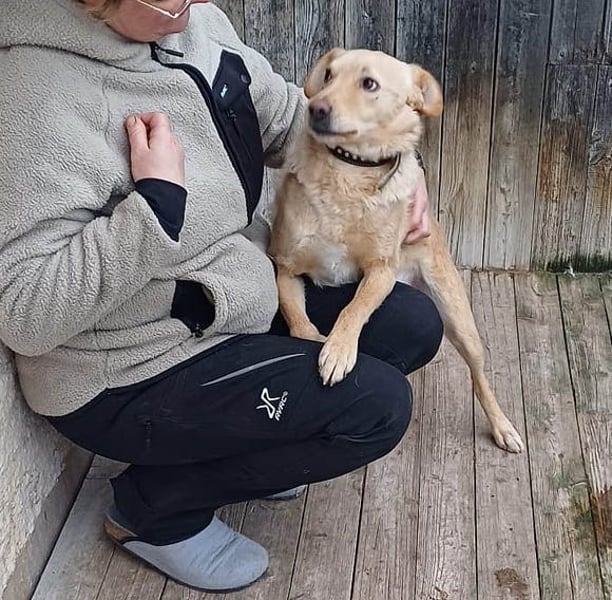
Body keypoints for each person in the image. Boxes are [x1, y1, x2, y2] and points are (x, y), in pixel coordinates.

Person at [0, 0, 443, 592]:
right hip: (131, 370)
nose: (195, 2)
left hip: (236, 297)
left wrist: (396, 167)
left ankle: (257, 440)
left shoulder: (194, 24)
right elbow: (24, 311)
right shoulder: (34, 94)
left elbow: (288, 118)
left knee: (412, 325)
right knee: (377, 408)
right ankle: (153, 509)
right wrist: (155, 206)